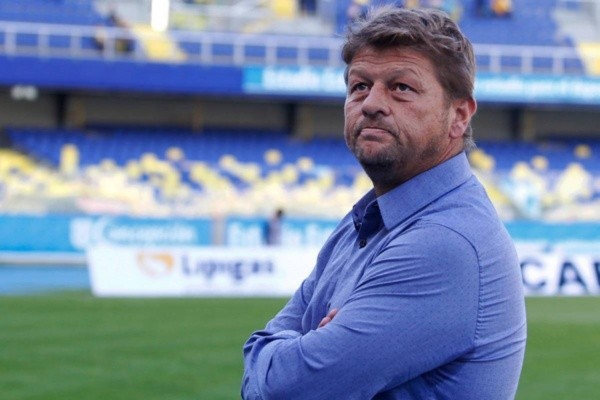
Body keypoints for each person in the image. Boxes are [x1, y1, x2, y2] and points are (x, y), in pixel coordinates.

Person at [242, 6, 526, 399]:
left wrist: (296, 349)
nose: (371, 103)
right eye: (359, 86)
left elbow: (281, 390)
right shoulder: (366, 219)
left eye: (401, 87)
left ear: (459, 115)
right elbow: (268, 370)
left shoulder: (445, 242)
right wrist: (296, 351)